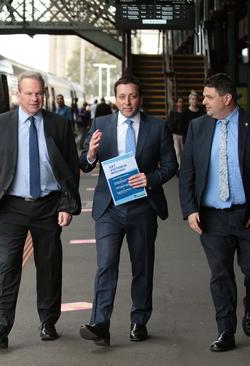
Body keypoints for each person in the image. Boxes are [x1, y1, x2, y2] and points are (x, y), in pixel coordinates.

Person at [0, 71, 81, 349]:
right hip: (12, 206)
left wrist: (68, 205)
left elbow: (71, 167)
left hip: (48, 205)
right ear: (18, 95)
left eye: (39, 93)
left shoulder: (58, 124)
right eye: (29, 93)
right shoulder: (1, 124)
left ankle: (48, 321)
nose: (35, 98)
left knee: (48, 265)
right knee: (8, 264)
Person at [179, 73, 250, 352]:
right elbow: (187, 171)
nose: (203, 102)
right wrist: (189, 210)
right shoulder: (197, 127)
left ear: (227, 98)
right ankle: (225, 331)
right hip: (213, 218)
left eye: (209, 97)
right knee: (220, 276)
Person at [78, 75, 178, 346]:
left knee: (142, 266)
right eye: (122, 97)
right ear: (115, 98)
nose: (127, 102)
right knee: (106, 263)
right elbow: (85, 163)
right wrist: (90, 154)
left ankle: (139, 321)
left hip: (143, 206)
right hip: (109, 208)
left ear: (140, 98)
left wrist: (151, 178)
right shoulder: (101, 124)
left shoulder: (157, 127)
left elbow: (171, 165)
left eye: (132, 96)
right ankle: (100, 323)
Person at [167, 97, 187, 166]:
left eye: (182, 102)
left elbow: (185, 124)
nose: (181, 103)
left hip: (183, 135)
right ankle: (178, 168)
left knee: (183, 152)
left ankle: (182, 166)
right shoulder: (173, 113)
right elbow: (169, 124)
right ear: (176, 103)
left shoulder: (184, 113)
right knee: (177, 152)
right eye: (179, 102)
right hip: (175, 135)